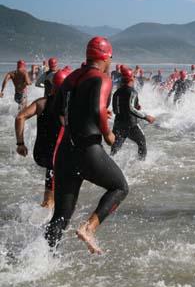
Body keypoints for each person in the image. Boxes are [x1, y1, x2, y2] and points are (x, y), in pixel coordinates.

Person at [44, 37, 128, 254]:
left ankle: (44, 258)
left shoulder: (70, 77)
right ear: (105, 56)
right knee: (120, 187)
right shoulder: (102, 78)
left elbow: (58, 113)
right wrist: (108, 134)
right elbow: (99, 110)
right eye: (110, 58)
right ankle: (89, 228)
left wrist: (87, 118)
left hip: (65, 153)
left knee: (60, 216)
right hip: (87, 149)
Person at [14, 68, 70, 208]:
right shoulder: (68, 106)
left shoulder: (41, 103)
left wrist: (20, 143)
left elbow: (20, 116)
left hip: (40, 153)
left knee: (57, 189)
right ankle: (44, 225)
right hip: (56, 157)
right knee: (50, 199)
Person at [111, 66, 155, 160]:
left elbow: (115, 110)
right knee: (142, 142)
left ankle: (109, 166)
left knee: (115, 148)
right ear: (131, 78)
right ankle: (141, 164)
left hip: (118, 124)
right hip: (131, 124)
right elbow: (131, 109)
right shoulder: (132, 92)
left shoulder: (117, 92)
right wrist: (146, 117)